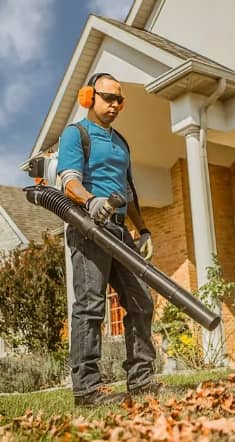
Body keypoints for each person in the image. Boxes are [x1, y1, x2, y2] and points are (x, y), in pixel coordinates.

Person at [57, 72, 158, 407]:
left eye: (119, 99)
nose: (114, 105)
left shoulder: (121, 142)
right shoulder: (77, 134)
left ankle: (141, 380)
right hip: (88, 226)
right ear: (89, 97)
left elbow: (128, 192)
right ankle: (87, 390)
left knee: (141, 301)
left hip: (118, 230)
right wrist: (91, 200)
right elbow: (68, 180)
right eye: (108, 98)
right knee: (90, 306)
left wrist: (142, 230)